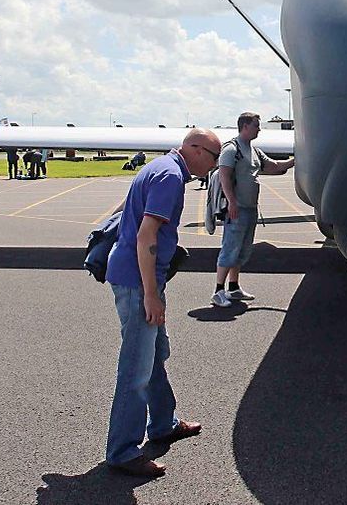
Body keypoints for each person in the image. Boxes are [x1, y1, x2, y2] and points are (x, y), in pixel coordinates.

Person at [104, 127, 222, 477]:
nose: (214, 167)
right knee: (136, 368)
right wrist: (152, 294)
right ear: (197, 150)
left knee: (154, 354)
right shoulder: (170, 177)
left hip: (135, 276)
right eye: (214, 159)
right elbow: (146, 236)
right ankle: (123, 451)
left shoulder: (159, 168)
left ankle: (163, 423)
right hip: (139, 282)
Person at [210, 113, 295, 308]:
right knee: (230, 247)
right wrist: (231, 202)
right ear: (245, 126)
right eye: (256, 125)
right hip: (237, 208)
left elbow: (273, 166)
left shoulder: (254, 150)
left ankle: (233, 287)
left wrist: (295, 161)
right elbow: (224, 175)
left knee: (243, 248)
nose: (259, 129)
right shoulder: (232, 149)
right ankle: (218, 291)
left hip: (249, 209)